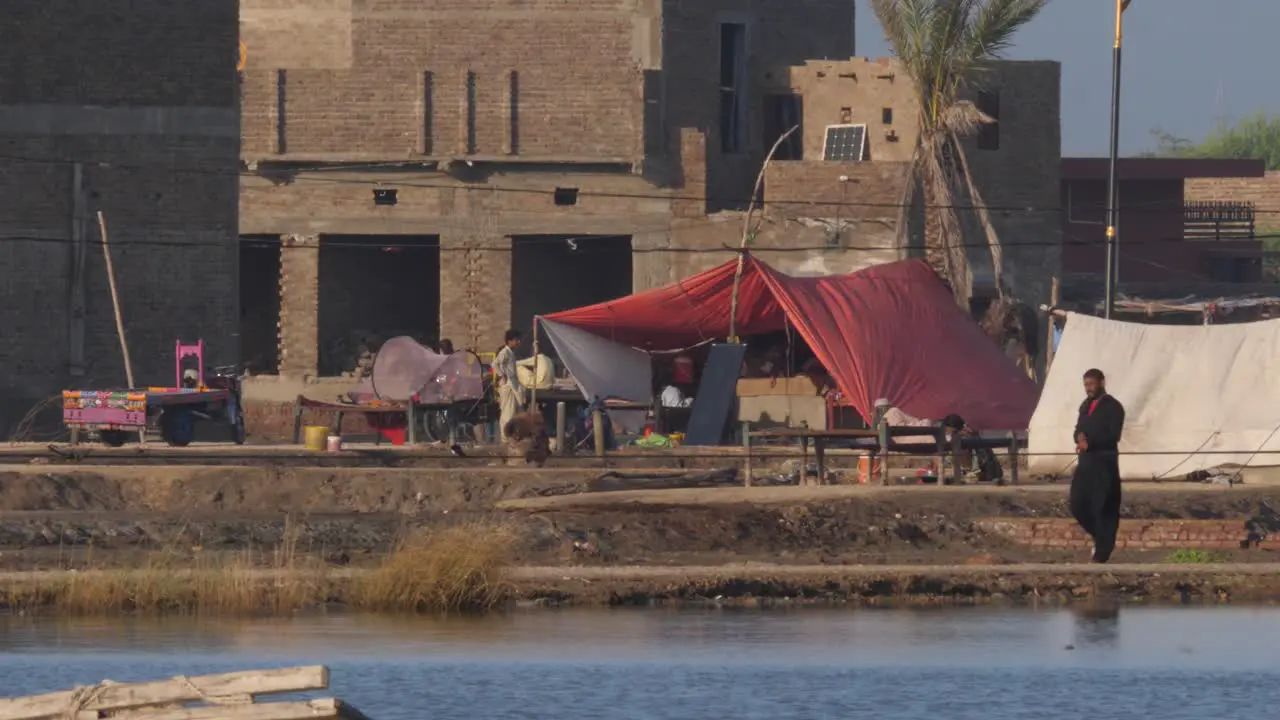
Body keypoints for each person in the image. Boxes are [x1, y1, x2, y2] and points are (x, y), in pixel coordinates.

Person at [1071, 368, 1126, 563]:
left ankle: (1103, 551)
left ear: (1101, 383)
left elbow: (1113, 435)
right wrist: (1079, 438)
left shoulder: (1112, 407)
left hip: (1104, 463)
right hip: (1086, 464)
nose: (1089, 389)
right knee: (1077, 504)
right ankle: (1101, 537)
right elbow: (1078, 429)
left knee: (1102, 507)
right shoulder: (1085, 406)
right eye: (1086, 385)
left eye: (1092, 384)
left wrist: (1091, 442)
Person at [494, 330, 525, 441]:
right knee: (508, 414)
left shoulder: (510, 353)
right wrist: (502, 375)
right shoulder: (505, 352)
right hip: (508, 386)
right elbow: (495, 364)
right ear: (509, 341)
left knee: (513, 414)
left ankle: (510, 437)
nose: (518, 342)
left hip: (512, 385)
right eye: (516, 340)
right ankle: (505, 439)